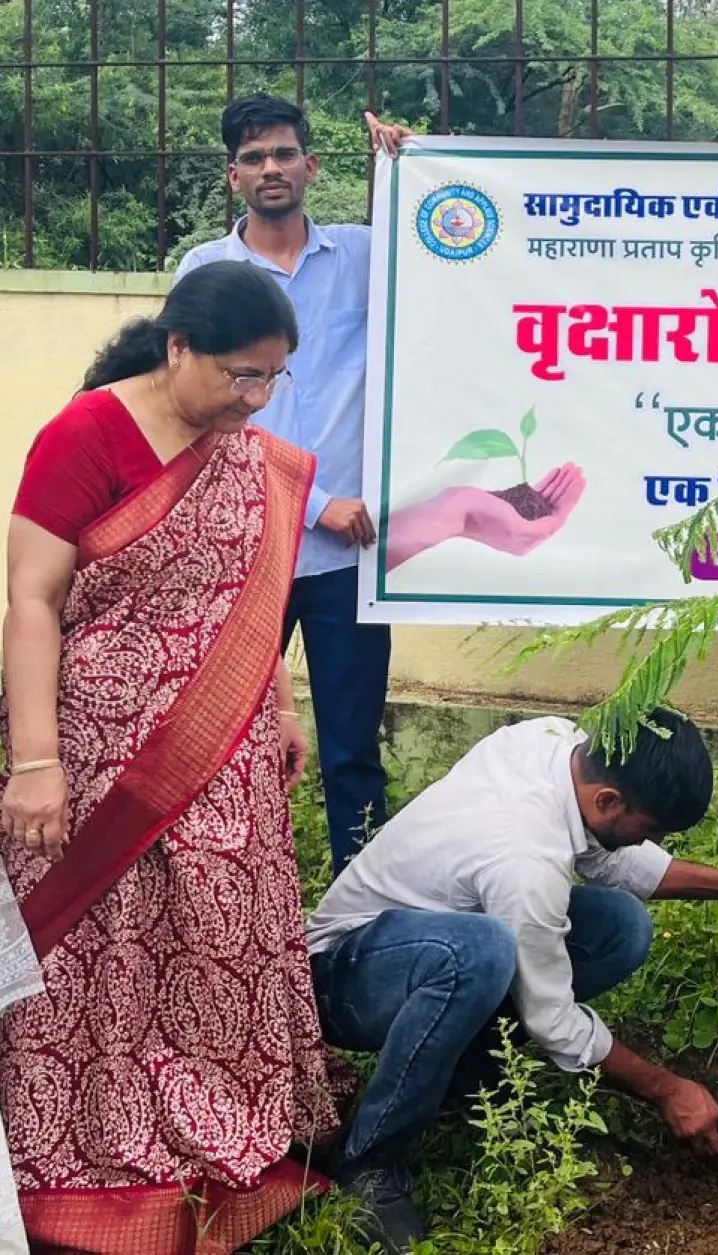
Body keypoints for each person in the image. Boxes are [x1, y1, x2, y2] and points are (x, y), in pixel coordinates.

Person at [0, 260, 341, 1251]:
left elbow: (249, 592)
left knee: (214, 943)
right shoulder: (87, 434)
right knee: (99, 956)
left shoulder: (251, 455)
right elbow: (31, 602)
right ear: (178, 346)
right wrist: (34, 763)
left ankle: (214, 1149)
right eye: (239, 375)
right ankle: (87, 1164)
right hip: (93, 758)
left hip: (219, 758)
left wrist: (276, 702)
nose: (255, 398)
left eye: (272, 379)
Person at [304, 710, 718, 1251]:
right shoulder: (525, 856)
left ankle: (461, 1072)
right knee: (482, 953)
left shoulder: (558, 745)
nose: (651, 840)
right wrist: (666, 1089)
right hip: (347, 974)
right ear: (610, 800)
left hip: (431, 944)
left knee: (620, 926)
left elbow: (618, 863)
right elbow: (552, 1019)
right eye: (652, 829)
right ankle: (369, 1159)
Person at [173, 94, 412, 873]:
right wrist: (314, 503)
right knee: (228, 746)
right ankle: (242, 907)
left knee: (352, 752)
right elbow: (195, 411)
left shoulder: (362, 254)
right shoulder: (204, 274)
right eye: (253, 157)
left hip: (349, 563)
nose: (270, 168)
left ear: (311, 164)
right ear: (232, 176)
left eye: (283, 153)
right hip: (247, 549)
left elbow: (441, 262)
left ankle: (361, 920)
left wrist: (409, 169)